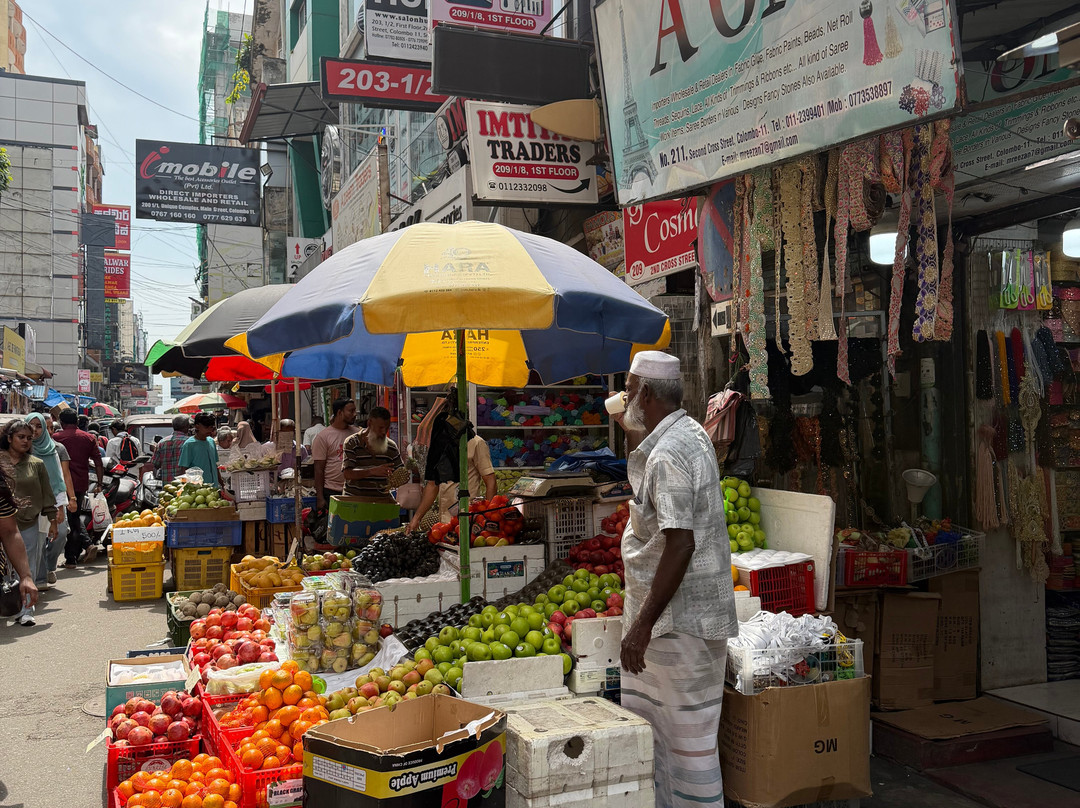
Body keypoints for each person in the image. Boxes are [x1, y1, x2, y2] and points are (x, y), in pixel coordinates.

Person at [616, 351, 737, 808]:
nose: (625, 397)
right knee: (683, 738)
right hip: (694, 619)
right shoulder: (690, 434)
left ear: (645, 393)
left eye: (629, 390)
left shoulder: (667, 453)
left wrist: (643, 626)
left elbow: (680, 543)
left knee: (684, 746)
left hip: (675, 624)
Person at [2, 420, 58, 626]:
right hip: (3, 524)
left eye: (29, 438)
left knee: (27, 569)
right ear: (9, 438)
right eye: (20, 437)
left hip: (27, 524)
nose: (25, 441)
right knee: (4, 569)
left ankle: (26, 610)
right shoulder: (0, 462)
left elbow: (46, 494)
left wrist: (52, 519)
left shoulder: (36, 464)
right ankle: (8, 606)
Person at [27, 414, 76, 588]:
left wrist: (64, 503)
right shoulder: (22, 448)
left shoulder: (54, 449)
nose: (35, 430)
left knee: (60, 534)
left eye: (38, 426)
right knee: (37, 542)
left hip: (53, 501)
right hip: (29, 504)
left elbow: (59, 478)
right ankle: (39, 579)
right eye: (31, 425)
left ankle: (49, 566)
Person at [53, 409, 104, 568]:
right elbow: (98, 462)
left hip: (61, 484)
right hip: (81, 484)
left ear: (61, 422)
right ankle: (73, 556)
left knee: (72, 520)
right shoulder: (89, 438)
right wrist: (100, 483)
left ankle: (74, 556)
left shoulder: (56, 438)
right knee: (74, 518)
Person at [342, 407, 403, 499]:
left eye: (386, 428)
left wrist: (402, 475)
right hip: (355, 500)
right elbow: (347, 474)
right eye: (381, 428)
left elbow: (400, 471)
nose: (384, 432)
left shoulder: (391, 446)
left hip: (382, 501)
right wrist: (372, 471)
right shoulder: (352, 442)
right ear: (369, 423)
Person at [312, 398, 358, 509]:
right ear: (339, 413)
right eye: (351, 411)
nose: (354, 414)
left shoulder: (358, 434)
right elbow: (319, 469)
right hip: (332, 491)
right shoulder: (323, 437)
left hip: (354, 490)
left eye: (354, 411)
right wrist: (320, 497)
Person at [178, 413, 220, 488]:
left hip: (214, 488)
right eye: (206, 427)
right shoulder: (189, 444)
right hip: (198, 490)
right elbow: (183, 469)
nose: (209, 430)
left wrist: (221, 483)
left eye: (211, 427)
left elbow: (215, 465)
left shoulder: (211, 441)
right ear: (197, 426)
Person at [152, 415, 190, 483]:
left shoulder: (162, 443)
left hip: (167, 487)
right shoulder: (189, 442)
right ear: (186, 427)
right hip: (184, 486)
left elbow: (156, 464)